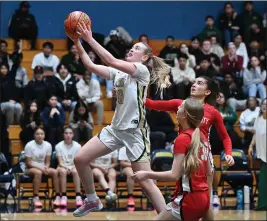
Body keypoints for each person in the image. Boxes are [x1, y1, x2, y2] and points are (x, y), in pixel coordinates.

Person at [70, 21, 171, 217]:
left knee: (145, 182)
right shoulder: (119, 74)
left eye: (137, 48)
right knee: (80, 159)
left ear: (145, 57)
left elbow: (111, 61)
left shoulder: (141, 71)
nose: (132, 50)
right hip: (115, 129)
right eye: (132, 47)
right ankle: (92, 200)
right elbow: (90, 65)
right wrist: (77, 42)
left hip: (135, 133)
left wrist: (89, 38)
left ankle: (167, 217)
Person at [145, 76, 235, 219]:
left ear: (207, 92)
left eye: (199, 83)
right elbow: (152, 104)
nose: (194, 85)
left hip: (202, 155)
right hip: (184, 152)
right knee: (184, 192)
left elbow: (225, 136)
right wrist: (129, 93)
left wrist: (228, 153)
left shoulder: (213, 112)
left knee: (205, 201)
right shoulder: (181, 104)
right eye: (194, 82)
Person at [132, 98, 212, 220]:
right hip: (203, 197)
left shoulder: (183, 139)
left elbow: (174, 175)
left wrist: (147, 174)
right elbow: (209, 172)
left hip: (188, 199)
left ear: (184, 115)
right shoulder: (202, 137)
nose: (177, 109)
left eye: (180, 107)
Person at [24, 127, 60, 207]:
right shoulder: (29, 145)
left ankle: (58, 196)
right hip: (30, 168)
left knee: (55, 172)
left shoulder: (48, 145)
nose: (39, 136)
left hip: (43, 167)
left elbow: (47, 161)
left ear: (44, 135)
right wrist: (41, 169)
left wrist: (46, 167)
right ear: (34, 135)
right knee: (38, 172)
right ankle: (35, 197)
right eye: (37, 134)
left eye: (41, 134)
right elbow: (28, 163)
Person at [55, 127, 83, 207]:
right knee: (63, 171)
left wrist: (72, 167)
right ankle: (63, 196)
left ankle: (78, 196)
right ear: (63, 135)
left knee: (76, 171)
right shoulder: (58, 146)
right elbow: (60, 162)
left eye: (70, 133)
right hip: (62, 166)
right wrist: (67, 168)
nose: (68, 135)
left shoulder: (78, 146)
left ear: (73, 135)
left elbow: (77, 161)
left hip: (74, 166)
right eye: (66, 133)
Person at [248, 98, 267, 210]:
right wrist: (251, 145)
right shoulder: (259, 118)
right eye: (263, 104)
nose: (265, 105)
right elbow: (255, 134)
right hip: (262, 154)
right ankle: (263, 204)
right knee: (263, 180)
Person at [118, 147, 136, 211]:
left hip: (139, 166)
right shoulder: (123, 148)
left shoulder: (140, 146)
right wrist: (133, 165)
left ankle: (152, 199)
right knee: (131, 174)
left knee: (151, 174)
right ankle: (130, 197)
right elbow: (122, 163)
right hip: (127, 167)